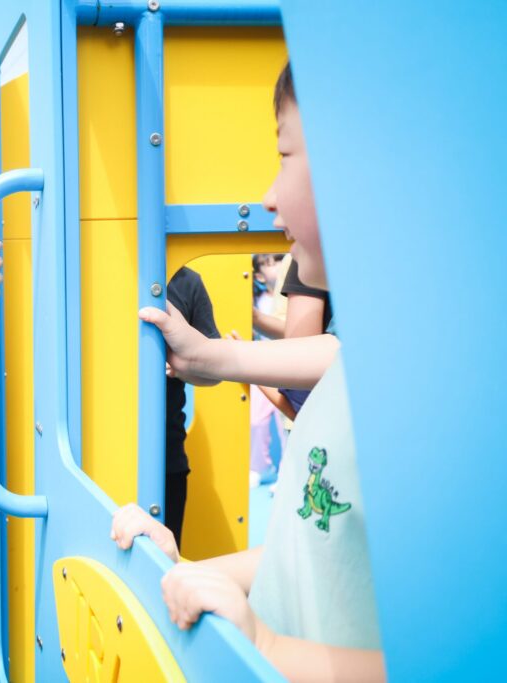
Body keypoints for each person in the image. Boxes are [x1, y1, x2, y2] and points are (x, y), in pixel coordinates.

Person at [114, 63, 384, 682]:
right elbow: (316, 546)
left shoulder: (438, 403)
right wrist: (193, 569)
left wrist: (267, 647)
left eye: (285, 152)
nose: (268, 195)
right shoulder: (359, 371)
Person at [163, 265, 220, 551]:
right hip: (99, 458)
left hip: (169, 458)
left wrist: (178, 368)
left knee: (164, 571)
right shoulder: (96, 264)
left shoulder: (186, 282)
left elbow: (215, 372)